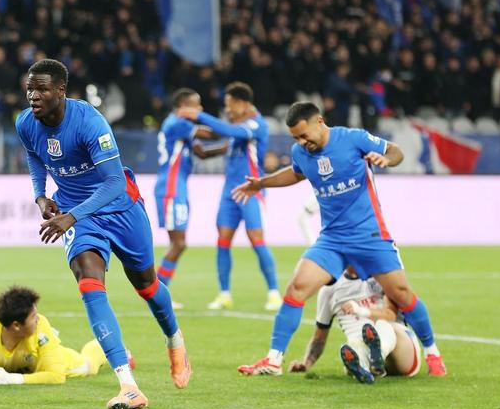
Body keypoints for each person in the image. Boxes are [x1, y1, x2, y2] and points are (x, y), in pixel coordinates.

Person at [15, 59, 191, 409]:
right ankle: (128, 385)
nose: (33, 96)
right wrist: (41, 196)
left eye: (42, 89)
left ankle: (174, 338)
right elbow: (34, 155)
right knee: (89, 284)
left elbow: (113, 183)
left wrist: (70, 217)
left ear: (61, 91)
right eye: (30, 89)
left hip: (119, 207)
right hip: (77, 217)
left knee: (146, 285)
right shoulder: (25, 123)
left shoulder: (89, 122)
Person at [232, 101, 446, 377]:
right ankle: (274, 360)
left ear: (319, 121)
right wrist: (261, 183)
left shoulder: (353, 138)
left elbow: (395, 151)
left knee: (402, 294)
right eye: (296, 138)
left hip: (368, 235)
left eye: (304, 135)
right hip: (332, 239)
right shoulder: (300, 152)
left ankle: (432, 353)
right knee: (297, 287)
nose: (301, 142)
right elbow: (296, 173)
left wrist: (386, 160)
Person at [178, 82, 282, 311]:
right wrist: (205, 152)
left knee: (256, 239)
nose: (227, 110)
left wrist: (198, 115)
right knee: (223, 240)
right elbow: (228, 144)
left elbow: (230, 132)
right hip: (229, 192)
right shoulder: (239, 126)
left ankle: (274, 293)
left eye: (229, 105)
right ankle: (224, 294)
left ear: (242, 104)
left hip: (251, 190)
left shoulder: (256, 124)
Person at [274, 268, 421, 384]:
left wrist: (360, 310)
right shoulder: (329, 290)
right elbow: (319, 338)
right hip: (361, 344)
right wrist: (305, 364)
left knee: (383, 325)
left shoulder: (382, 276)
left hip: (401, 350)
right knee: (355, 344)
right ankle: (363, 369)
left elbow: (390, 315)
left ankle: (377, 355)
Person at [154, 88, 228, 309]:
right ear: (183, 107)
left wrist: (227, 148)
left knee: (178, 243)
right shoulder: (177, 123)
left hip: (178, 189)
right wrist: (231, 132)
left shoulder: (182, 129)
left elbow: (202, 152)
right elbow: (214, 133)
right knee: (179, 243)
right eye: (196, 105)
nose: (200, 109)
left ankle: (158, 292)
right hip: (171, 188)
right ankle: (157, 293)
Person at [0, 285, 123, 385]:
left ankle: (110, 346)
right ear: (16, 325)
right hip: (31, 369)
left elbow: (56, 376)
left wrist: (10, 379)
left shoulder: (41, 326)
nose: (38, 319)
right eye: (33, 317)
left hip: (67, 362)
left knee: (89, 365)